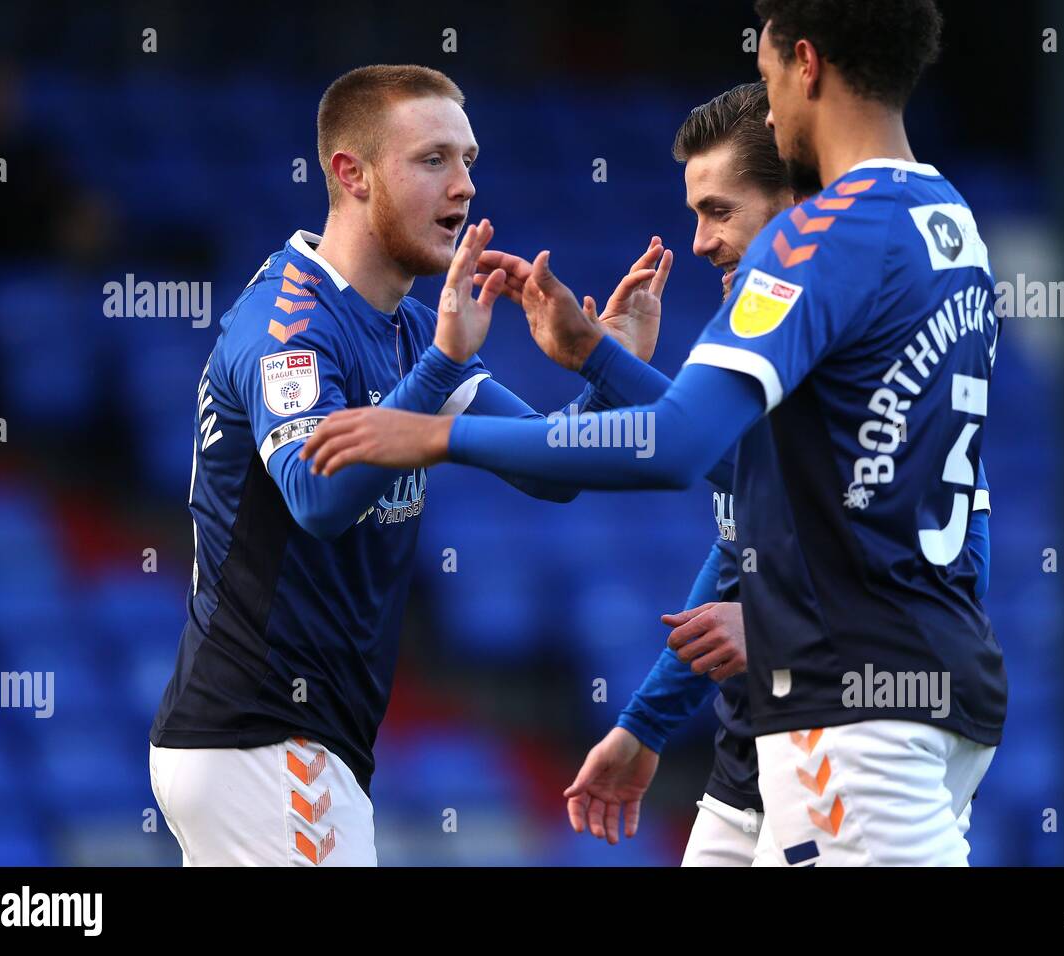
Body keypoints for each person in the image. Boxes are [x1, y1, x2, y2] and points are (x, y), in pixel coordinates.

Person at [302, 0, 1008, 867]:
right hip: (927, 684)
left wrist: (438, 438)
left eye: (766, 73)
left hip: (849, 709)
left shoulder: (816, 236)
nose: (770, 98)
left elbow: (678, 446)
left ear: (806, 66)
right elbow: (764, 474)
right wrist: (599, 358)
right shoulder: (952, 224)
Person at [148, 64, 677, 866]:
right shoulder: (290, 323)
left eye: (468, 160)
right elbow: (317, 499)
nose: (464, 187)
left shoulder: (405, 326)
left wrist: (609, 367)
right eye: (433, 160)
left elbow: (549, 467)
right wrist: (435, 370)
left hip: (298, 744)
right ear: (350, 174)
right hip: (259, 734)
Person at [562, 82, 992, 866]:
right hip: (759, 739)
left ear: (796, 208)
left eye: (719, 211)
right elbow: (739, 532)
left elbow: (951, 555)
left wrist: (777, 632)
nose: (698, 242)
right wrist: (646, 724)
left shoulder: (863, 345)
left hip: (848, 709)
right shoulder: (777, 345)